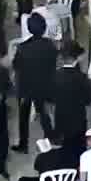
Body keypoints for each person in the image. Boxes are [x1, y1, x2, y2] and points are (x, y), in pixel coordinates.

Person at [12, 12, 58, 151]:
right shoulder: (50, 45)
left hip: (26, 87)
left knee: (23, 117)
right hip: (45, 84)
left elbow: (16, 66)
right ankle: (51, 138)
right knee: (44, 114)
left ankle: (23, 144)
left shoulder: (23, 48)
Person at [18, 133, 86, 181]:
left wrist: (40, 153)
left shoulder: (42, 157)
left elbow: (36, 168)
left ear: (48, 143)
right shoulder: (73, 155)